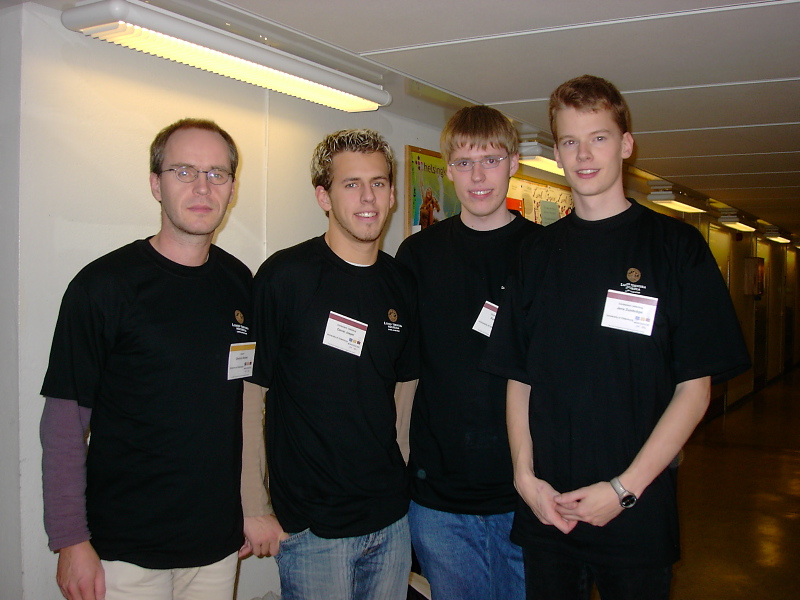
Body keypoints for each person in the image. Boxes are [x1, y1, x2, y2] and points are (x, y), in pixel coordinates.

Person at [483, 74, 751, 599]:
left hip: (636, 514)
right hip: (549, 513)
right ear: (556, 153)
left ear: (626, 145)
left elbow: (694, 391)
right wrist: (524, 478)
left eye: (599, 138)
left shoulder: (676, 248)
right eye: (569, 141)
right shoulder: (535, 254)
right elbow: (518, 376)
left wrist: (623, 490)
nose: (583, 155)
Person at [40, 118, 261, 600]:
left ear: (231, 188)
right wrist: (70, 540)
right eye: (184, 172)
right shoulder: (102, 287)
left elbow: (245, 406)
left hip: (215, 545)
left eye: (217, 174)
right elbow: (63, 424)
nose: (202, 187)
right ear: (156, 185)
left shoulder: (240, 284)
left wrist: (250, 506)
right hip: (124, 553)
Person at [246, 129, 419, 600]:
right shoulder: (285, 277)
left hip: (390, 520)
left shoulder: (401, 282)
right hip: (312, 528)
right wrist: (254, 504)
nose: (368, 198)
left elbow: (405, 390)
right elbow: (250, 394)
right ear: (324, 196)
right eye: (351, 184)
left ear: (392, 194)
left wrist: (400, 476)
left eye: (378, 183)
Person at [395, 105, 539, 600]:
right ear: (448, 169)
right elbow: (402, 370)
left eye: (491, 160)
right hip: (440, 499)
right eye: (463, 163)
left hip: (528, 492)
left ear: (514, 163)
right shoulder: (418, 255)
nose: (478, 177)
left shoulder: (544, 252)